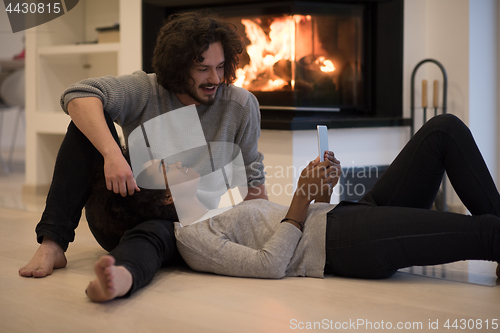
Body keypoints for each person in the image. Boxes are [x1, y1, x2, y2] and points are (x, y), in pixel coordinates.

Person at [84, 114, 500, 302]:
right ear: (165, 196)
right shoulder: (194, 239)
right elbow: (271, 265)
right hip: (347, 244)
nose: (176, 160)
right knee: (482, 233)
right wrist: (301, 199)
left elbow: (300, 226)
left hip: (346, 217)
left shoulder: (218, 205)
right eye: (165, 167)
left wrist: (321, 191)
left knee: (443, 130)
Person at [19, 11, 268, 279]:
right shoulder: (146, 89)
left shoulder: (240, 105)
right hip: (124, 217)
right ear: (177, 65)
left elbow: (253, 182)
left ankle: (123, 274)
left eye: (220, 67)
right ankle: (52, 243)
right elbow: (77, 94)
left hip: (184, 228)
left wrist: (266, 232)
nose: (216, 79)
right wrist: (112, 154)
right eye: (202, 68)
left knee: (162, 232)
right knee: (84, 124)